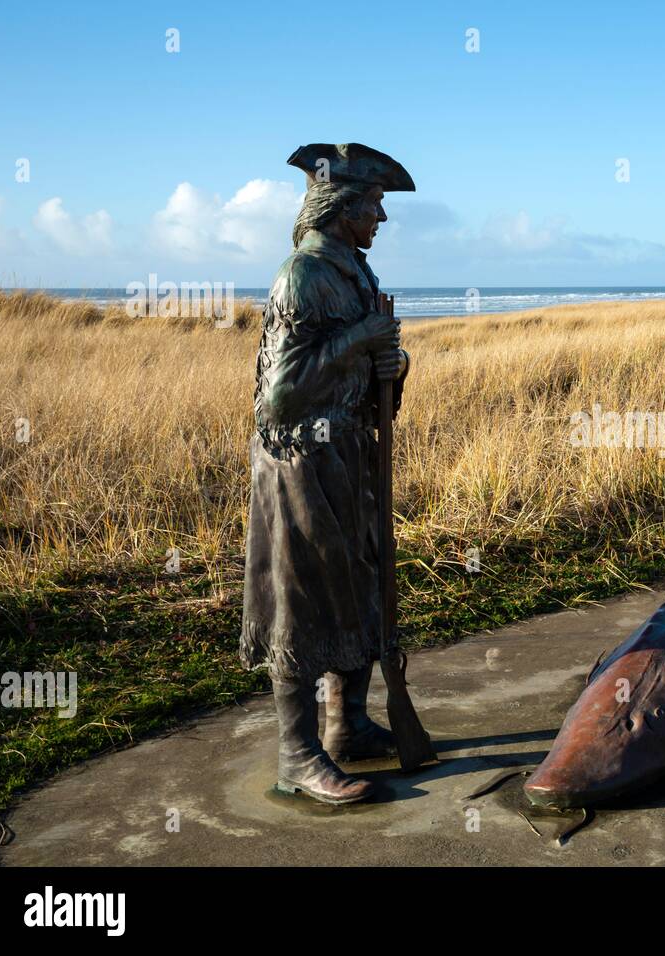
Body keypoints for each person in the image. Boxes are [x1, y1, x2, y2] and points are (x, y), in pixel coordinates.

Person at [240, 143, 421, 804]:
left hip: (346, 456)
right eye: (373, 204)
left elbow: (366, 373)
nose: (381, 217)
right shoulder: (304, 276)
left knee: (358, 583)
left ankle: (347, 726)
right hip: (298, 464)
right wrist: (361, 342)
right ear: (341, 206)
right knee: (301, 595)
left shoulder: (355, 274)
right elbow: (279, 398)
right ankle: (297, 755)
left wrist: (390, 369)